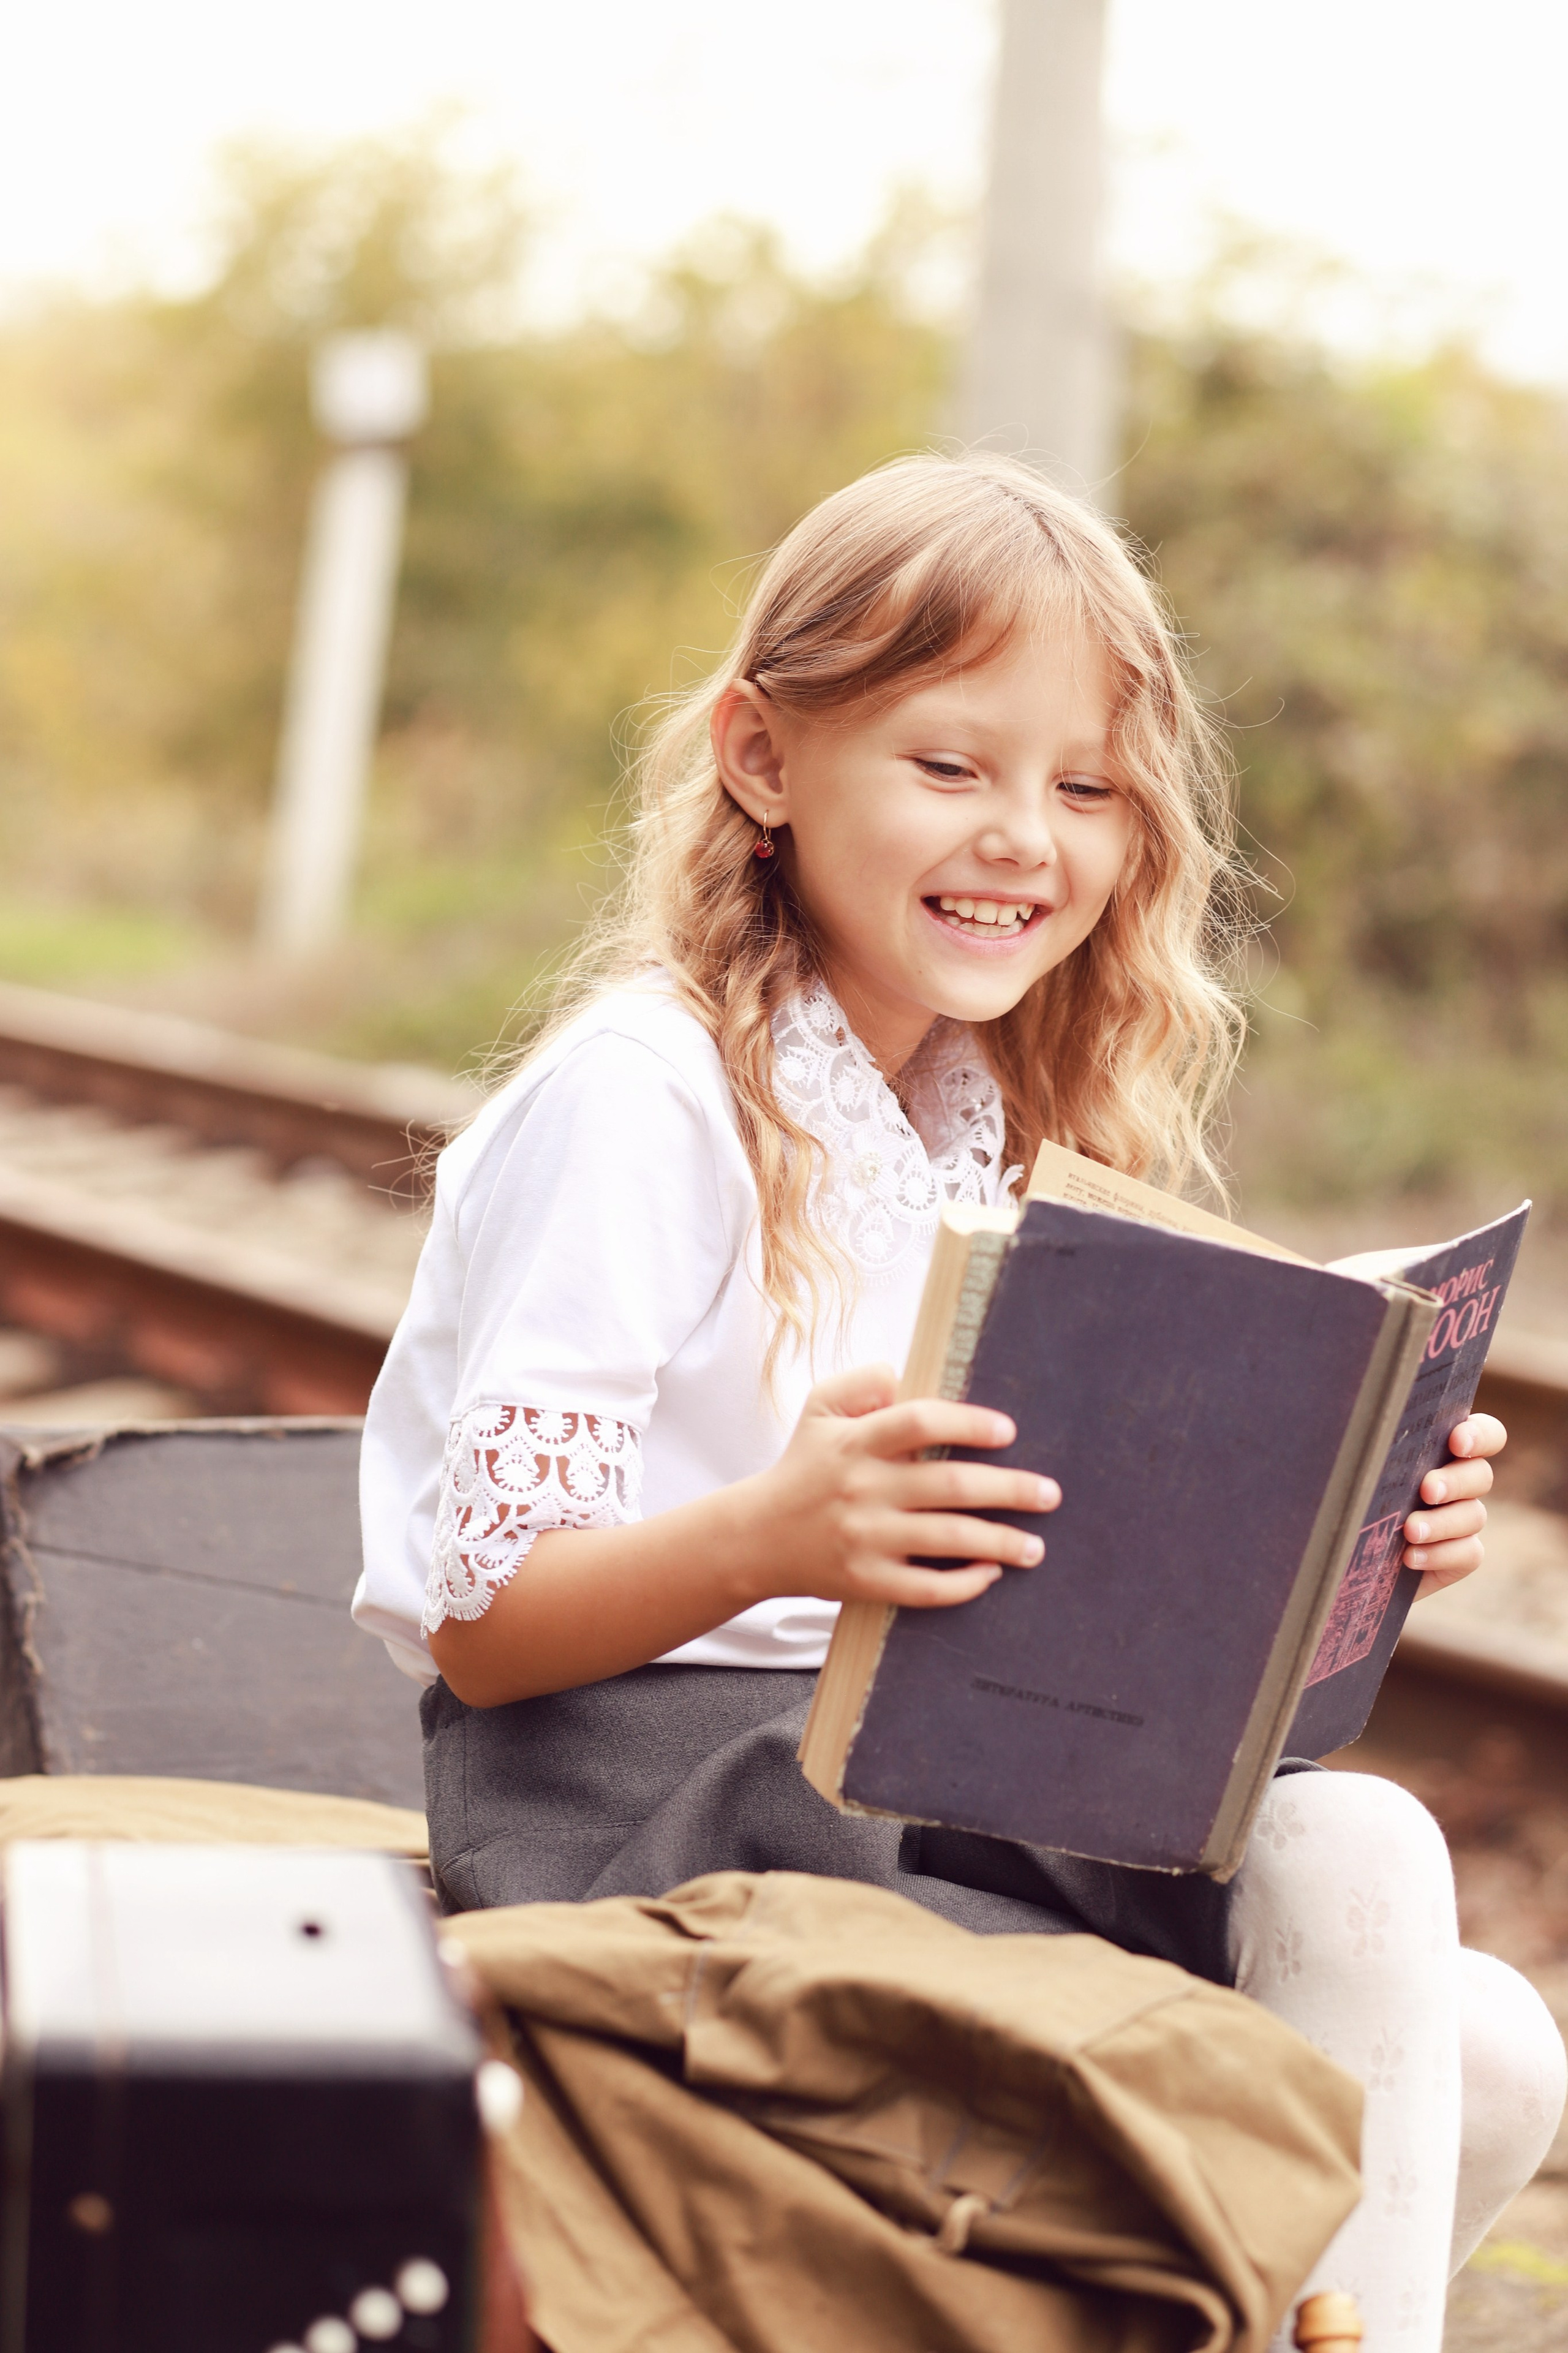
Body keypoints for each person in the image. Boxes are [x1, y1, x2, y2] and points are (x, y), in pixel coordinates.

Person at [353, 452, 1564, 2349]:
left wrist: (1349, 1536)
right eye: (950, 766)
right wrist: (783, 1532)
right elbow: (488, 1627)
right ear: (763, 759)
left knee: (1487, 2051)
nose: (1025, 835)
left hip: (917, 1788)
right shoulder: (648, 1095)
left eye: (1084, 787)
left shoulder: (977, 1123)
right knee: (1366, 1867)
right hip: (650, 1807)